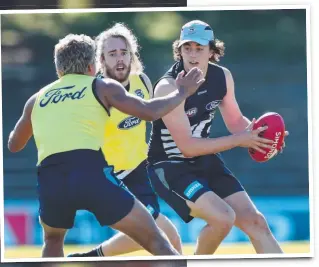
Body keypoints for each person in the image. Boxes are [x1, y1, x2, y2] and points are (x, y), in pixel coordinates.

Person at [7, 33, 205, 257]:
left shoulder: (37, 98)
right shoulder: (101, 86)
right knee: (156, 237)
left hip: (51, 178)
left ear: (59, 70)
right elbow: (149, 112)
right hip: (89, 172)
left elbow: (14, 144)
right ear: (92, 66)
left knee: (52, 241)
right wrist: (183, 91)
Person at [146, 20, 289, 255]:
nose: (192, 54)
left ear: (212, 51)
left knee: (257, 223)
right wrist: (241, 140)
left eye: (199, 48)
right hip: (169, 166)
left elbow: (235, 123)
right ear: (179, 50)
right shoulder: (168, 87)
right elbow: (187, 147)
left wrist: (260, 136)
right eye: (186, 48)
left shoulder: (222, 77)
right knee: (223, 218)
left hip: (205, 159)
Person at [67, 23, 182, 258]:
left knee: (171, 238)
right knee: (157, 232)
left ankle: (89, 259)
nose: (120, 59)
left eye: (124, 52)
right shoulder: (95, 91)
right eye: (112, 54)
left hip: (139, 170)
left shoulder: (142, 82)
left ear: (132, 54)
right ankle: (92, 258)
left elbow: (154, 122)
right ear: (101, 60)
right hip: (112, 176)